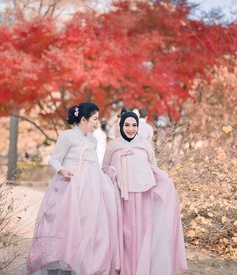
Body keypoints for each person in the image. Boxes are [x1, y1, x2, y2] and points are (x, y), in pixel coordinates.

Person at [26, 102, 119, 275]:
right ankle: (60, 262)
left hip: (90, 188)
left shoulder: (93, 139)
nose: (96, 123)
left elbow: (94, 165)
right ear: (83, 119)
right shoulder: (67, 136)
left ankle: (80, 265)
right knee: (65, 224)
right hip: (69, 187)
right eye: (94, 119)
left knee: (87, 225)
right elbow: (54, 159)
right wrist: (61, 170)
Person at [102, 111, 187, 275]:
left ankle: (139, 269)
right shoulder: (113, 146)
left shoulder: (145, 146)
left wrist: (165, 182)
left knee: (139, 236)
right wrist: (113, 174)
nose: (130, 128)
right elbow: (105, 169)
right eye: (127, 124)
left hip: (142, 198)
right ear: (121, 126)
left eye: (134, 125)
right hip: (120, 199)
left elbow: (153, 169)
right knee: (123, 236)